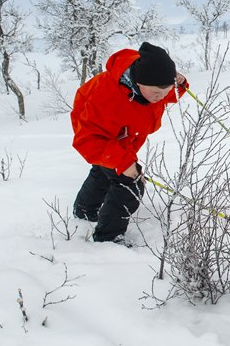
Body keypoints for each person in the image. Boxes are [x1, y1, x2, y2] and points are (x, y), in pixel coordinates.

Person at [71, 42, 189, 244]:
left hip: (127, 136)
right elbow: (88, 139)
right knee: (130, 183)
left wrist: (180, 83)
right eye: (157, 92)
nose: (161, 97)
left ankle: (84, 210)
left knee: (102, 171)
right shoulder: (106, 96)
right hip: (100, 136)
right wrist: (122, 162)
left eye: (166, 90)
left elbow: (167, 93)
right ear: (139, 82)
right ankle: (108, 237)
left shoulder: (150, 87)